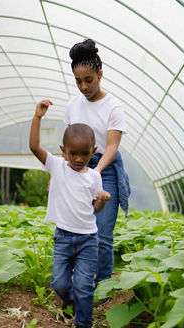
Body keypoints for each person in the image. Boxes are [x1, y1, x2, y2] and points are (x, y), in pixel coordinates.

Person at [30, 99, 111, 328]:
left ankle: (83, 323)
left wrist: (102, 201)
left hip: (88, 240)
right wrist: (37, 117)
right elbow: (34, 147)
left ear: (93, 152)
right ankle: (71, 302)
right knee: (59, 284)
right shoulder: (57, 166)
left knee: (84, 285)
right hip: (63, 238)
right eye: (73, 153)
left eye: (84, 154)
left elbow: (94, 209)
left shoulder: (94, 176)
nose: (78, 159)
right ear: (63, 151)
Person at [65, 38, 130, 289]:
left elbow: (112, 146)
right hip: (78, 166)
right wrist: (65, 173)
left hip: (106, 169)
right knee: (77, 228)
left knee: (102, 234)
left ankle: (102, 284)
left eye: (88, 80)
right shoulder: (73, 105)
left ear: (100, 74)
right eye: (78, 81)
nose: (83, 86)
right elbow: (70, 144)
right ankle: (79, 279)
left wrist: (96, 172)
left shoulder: (113, 106)